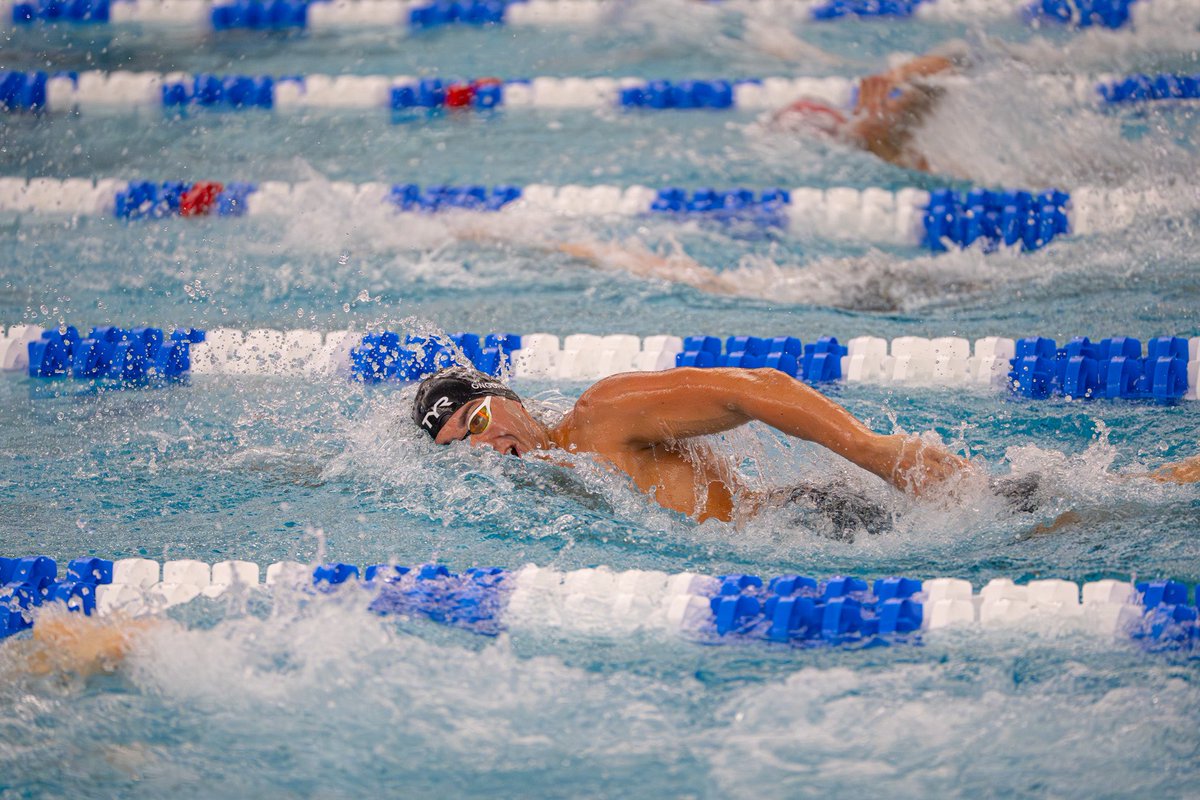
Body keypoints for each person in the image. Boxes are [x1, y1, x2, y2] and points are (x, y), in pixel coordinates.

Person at [413, 365, 1200, 528]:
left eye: (477, 423)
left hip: (817, 523)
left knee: (1081, 513)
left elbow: (754, 388)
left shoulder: (601, 416)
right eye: (459, 448)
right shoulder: (545, 486)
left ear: (507, 401)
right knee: (1076, 506)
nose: (481, 450)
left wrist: (870, 452)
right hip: (799, 536)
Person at [771, 51, 962, 174]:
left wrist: (897, 74)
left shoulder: (890, 134)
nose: (884, 106)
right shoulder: (881, 135)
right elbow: (948, 67)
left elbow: (949, 66)